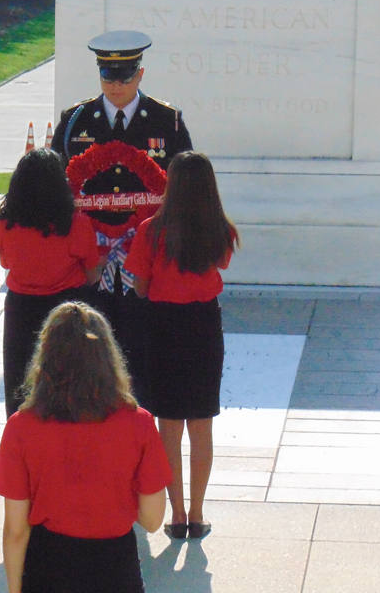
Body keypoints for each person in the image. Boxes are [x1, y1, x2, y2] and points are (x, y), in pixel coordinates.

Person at [51, 30, 194, 406]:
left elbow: (184, 189)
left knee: (140, 344)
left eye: (125, 76)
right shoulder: (76, 120)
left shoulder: (167, 122)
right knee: (91, 341)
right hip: (92, 258)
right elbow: (58, 190)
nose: (116, 85)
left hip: (144, 256)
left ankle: (138, 410)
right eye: (108, 76)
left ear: (141, 75)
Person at [0, 301, 172, 593]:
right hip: (115, 568)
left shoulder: (21, 427)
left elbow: (15, 530)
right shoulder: (139, 424)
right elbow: (152, 521)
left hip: (47, 567)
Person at [123, 151, 239, 540]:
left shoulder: (150, 231)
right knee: (201, 424)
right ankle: (198, 511)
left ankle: (175, 514)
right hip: (204, 326)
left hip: (162, 328)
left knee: (168, 427)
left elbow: (139, 285)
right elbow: (221, 263)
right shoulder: (220, 230)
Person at [0, 148, 101, 417]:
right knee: (70, 385)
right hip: (67, 311)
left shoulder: (4, 226)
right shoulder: (76, 224)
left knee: (19, 384)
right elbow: (92, 274)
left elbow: (6, 264)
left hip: (21, 310)